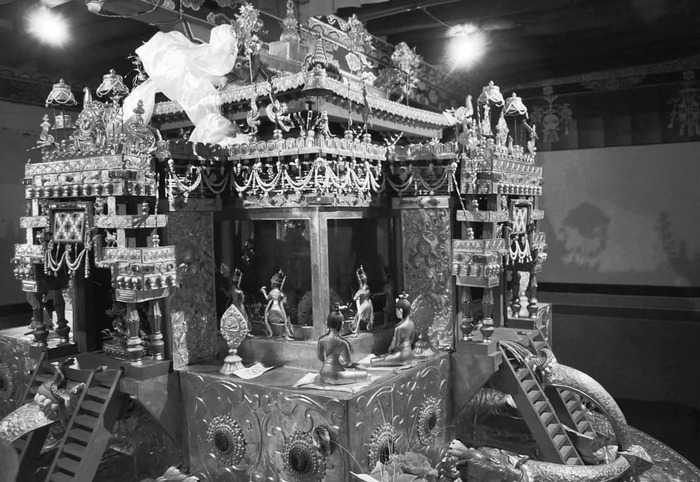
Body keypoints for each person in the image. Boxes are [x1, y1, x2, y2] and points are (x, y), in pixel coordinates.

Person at [317, 304, 368, 385]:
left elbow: (320, 356)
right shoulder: (342, 342)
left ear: (328, 323)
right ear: (341, 325)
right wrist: (340, 363)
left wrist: (327, 364)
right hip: (337, 376)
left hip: (324, 373)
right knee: (364, 374)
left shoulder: (322, 339)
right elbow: (348, 363)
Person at [371, 292, 415, 366]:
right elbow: (411, 339)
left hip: (401, 356)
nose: (396, 313)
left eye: (396, 311)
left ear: (401, 311)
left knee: (374, 361)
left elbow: (393, 346)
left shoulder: (399, 328)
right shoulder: (411, 324)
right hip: (410, 354)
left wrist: (388, 354)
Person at [260, 270, 292, 339]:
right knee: (285, 321)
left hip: (272, 308)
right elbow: (284, 301)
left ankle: (268, 331)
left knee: (267, 319)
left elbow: (267, 298)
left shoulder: (272, 291)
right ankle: (286, 334)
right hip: (279, 309)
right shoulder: (280, 292)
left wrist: (263, 292)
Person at [351, 266, 374, 334]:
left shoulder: (361, 289)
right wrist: (362, 270)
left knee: (358, 316)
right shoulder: (366, 287)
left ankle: (356, 329)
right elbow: (364, 279)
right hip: (368, 304)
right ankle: (368, 324)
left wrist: (357, 273)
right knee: (359, 315)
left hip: (363, 305)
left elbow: (359, 280)